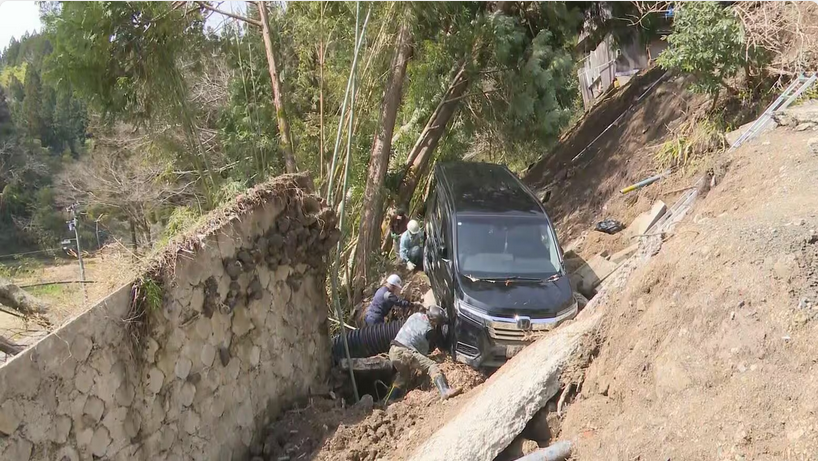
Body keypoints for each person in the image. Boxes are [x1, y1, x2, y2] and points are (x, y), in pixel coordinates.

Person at [386, 305, 462, 402]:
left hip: (393, 351)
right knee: (431, 366)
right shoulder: (428, 330)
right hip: (404, 352)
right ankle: (444, 391)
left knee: (403, 376)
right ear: (434, 321)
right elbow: (422, 354)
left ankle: (389, 400)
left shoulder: (416, 315)